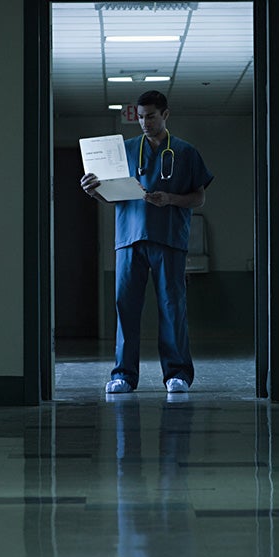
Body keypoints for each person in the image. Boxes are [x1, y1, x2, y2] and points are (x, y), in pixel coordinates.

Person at [80, 90, 213, 395]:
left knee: (172, 307)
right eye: (140, 117)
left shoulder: (185, 152)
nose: (144, 122)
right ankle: (123, 375)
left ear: (165, 114)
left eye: (151, 116)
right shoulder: (125, 151)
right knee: (125, 307)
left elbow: (199, 197)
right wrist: (93, 191)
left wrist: (170, 199)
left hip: (169, 238)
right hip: (130, 239)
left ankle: (177, 374)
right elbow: (112, 195)